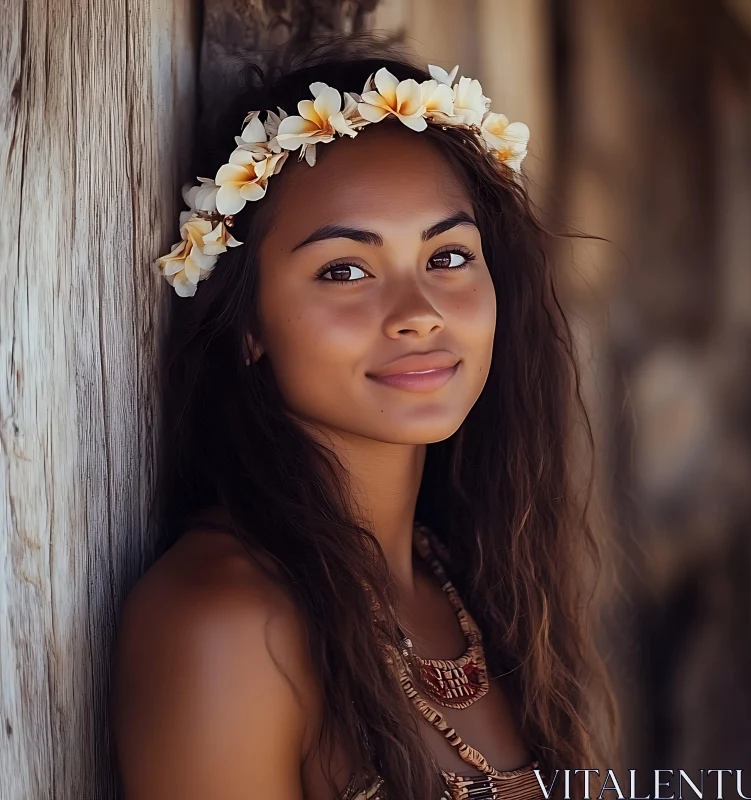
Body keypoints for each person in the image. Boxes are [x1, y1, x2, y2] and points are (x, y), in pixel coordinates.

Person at [112, 35, 616, 800]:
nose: (419, 314)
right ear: (249, 324)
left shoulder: (476, 580)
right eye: (344, 270)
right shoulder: (227, 624)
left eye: (447, 257)